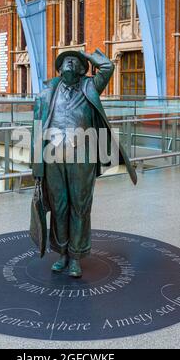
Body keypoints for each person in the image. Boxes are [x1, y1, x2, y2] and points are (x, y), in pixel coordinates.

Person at [31, 49, 137, 278]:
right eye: (65, 61)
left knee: (80, 207)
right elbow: (36, 131)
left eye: (75, 62)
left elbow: (108, 67)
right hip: (53, 156)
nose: (70, 63)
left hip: (83, 157)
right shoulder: (45, 93)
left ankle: (76, 257)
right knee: (59, 207)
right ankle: (62, 254)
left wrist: (86, 55)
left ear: (82, 69)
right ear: (58, 70)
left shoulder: (90, 86)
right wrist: (37, 168)